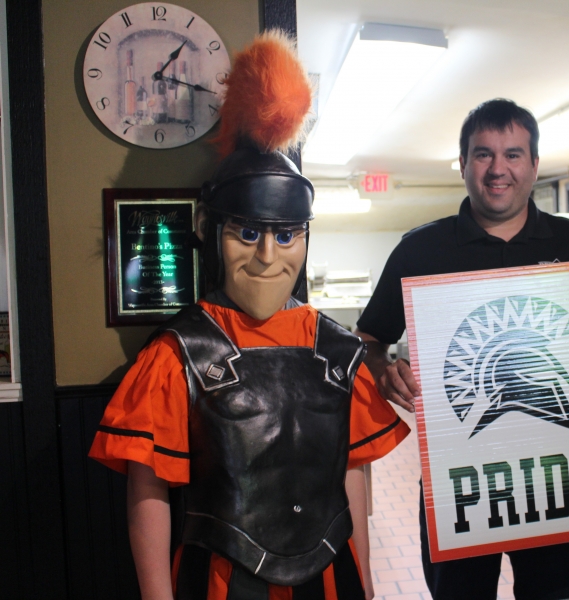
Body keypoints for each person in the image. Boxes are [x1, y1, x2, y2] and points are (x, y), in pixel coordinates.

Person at [89, 32, 409, 600]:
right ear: (215, 236)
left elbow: (352, 476)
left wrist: (368, 582)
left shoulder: (337, 351)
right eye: (248, 232)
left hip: (331, 580)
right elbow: (149, 493)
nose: (267, 256)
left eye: (285, 235)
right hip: (219, 583)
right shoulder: (178, 354)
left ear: (305, 238)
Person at [354, 98, 569, 600]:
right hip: (460, 483)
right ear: (464, 163)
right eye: (483, 154)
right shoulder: (420, 250)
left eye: (513, 154)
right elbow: (366, 342)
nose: (498, 169)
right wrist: (383, 370)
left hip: (555, 479)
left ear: (534, 164)